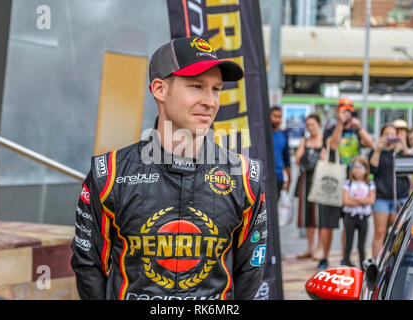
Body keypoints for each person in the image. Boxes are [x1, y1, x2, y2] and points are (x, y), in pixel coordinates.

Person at [70, 36, 268, 300]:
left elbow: (251, 268)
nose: (210, 101)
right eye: (197, 86)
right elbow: (88, 266)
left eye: (216, 89)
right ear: (159, 89)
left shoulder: (244, 177)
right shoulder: (110, 174)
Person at [318, 97, 374, 269]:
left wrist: (359, 127)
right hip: (335, 180)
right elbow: (332, 146)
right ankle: (324, 257)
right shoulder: (330, 129)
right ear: (338, 112)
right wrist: (340, 125)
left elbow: (370, 144)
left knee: (347, 223)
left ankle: (346, 257)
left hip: (353, 180)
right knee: (328, 223)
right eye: (343, 111)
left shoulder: (357, 129)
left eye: (349, 111)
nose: (347, 114)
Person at [369, 123, 410, 259]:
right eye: (386, 134)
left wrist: (403, 145)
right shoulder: (377, 152)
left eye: (393, 135)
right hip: (382, 197)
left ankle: (395, 261)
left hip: (400, 196)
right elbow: (372, 170)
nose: (389, 137)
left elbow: (411, 166)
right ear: (381, 136)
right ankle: (376, 261)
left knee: (399, 231)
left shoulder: (399, 152)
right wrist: (378, 149)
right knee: (380, 232)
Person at [294, 114, 323, 260]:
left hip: (320, 181)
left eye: (313, 125)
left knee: (319, 215)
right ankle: (310, 247)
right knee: (307, 215)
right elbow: (297, 160)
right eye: (308, 125)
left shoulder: (324, 140)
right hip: (306, 181)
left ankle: (320, 247)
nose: (310, 128)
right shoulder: (304, 141)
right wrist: (303, 145)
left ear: (319, 124)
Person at [341, 156, 376, 270]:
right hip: (350, 217)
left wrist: (354, 199)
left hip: (363, 217)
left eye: (359, 168)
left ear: (365, 169)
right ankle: (346, 263)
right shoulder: (348, 183)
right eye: (354, 167)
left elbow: (371, 200)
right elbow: (346, 201)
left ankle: (363, 267)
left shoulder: (370, 184)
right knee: (348, 243)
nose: (356, 170)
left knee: (362, 245)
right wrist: (363, 201)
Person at [270, 106, 291, 200]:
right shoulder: (261, 134)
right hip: (263, 178)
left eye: (280, 117)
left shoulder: (283, 135)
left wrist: (289, 179)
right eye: (275, 116)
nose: (277, 120)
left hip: (278, 178)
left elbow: (287, 159)